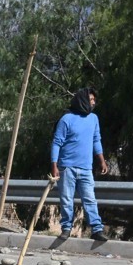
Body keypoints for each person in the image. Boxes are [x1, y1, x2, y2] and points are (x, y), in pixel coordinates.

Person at [50, 87, 109, 245]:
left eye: (94, 100)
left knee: (89, 198)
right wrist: (54, 165)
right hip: (67, 167)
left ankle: (96, 229)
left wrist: (102, 160)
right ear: (82, 101)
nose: (93, 103)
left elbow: (96, 140)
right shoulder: (66, 119)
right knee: (67, 199)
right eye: (90, 100)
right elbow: (56, 143)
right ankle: (66, 228)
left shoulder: (93, 119)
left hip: (86, 168)